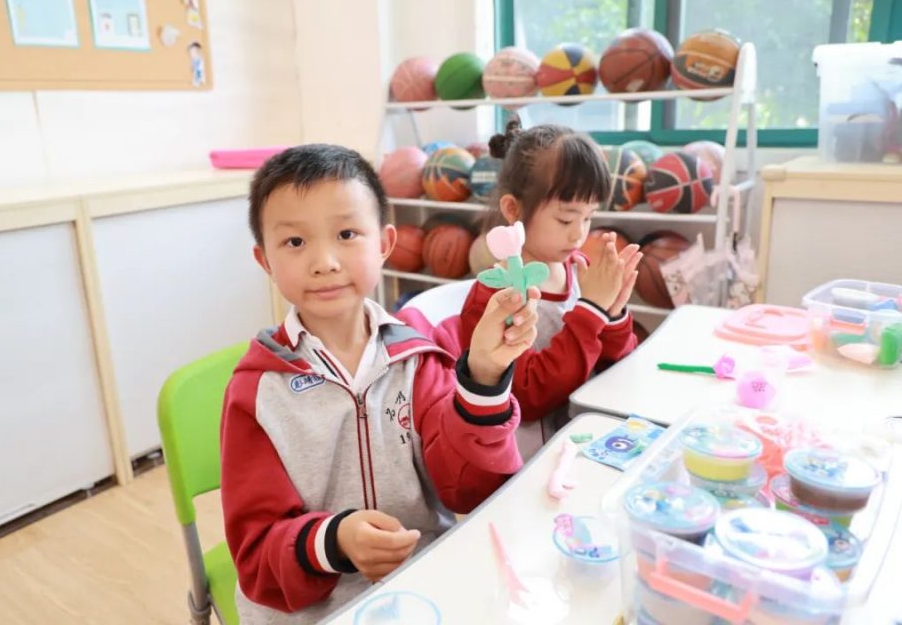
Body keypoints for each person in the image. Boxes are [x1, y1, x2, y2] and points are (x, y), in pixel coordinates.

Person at [220, 144, 541, 623]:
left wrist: (484, 377)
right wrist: (334, 541)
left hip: (424, 585)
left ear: (385, 242)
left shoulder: (419, 357)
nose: (324, 261)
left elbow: (472, 489)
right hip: (316, 611)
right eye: (295, 242)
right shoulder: (257, 393)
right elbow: (256, 555)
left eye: (347, 234)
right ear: (264, 258)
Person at [444, 117, 642, 459]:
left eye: (588, 217)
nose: (578, 233)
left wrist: (613, 314)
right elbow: (531, 396)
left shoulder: (578, 269)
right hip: (532, 462)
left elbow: (615, 366)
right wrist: (592, 311)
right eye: (565, 219)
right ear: (513, 209)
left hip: (588, 443)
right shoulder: (497, 297)